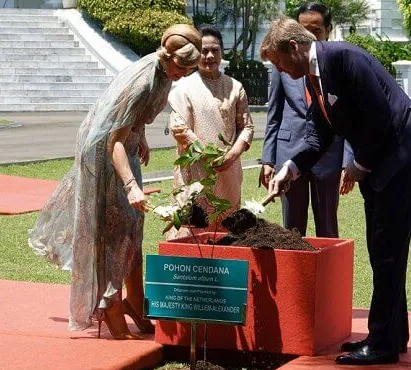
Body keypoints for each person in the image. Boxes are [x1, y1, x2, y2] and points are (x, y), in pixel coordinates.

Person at [260, 18, 411, 365]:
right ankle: (390, 334)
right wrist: (290, 169)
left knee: (386, 246)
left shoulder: (342, 57)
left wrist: (361, 164)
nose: (279, 70)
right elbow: (318, 137)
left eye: (278, 62)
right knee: (383, 247)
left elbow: (380, 115)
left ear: (293, 47)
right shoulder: (312, 77)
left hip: (403, 152)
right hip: (381, 157)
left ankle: (383, 344)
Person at [28, 24, 202, 339]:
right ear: (167, 54)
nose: (185, 74)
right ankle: (109, 302)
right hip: (104, 153)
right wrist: (131, 186)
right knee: (113, 229)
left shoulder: (163, 72)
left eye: (190, 69)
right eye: (182, 67)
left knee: (133, 222)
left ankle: (135, 299)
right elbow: (114, 142)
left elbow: (132, 117)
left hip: (124, 143)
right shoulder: (143, 80)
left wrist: (142, 134)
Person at [260, 2, 354, 238]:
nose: (308, 37)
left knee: (327, 227)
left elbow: (350, 117)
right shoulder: (282, 63)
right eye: (303, 30)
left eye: (316, 31)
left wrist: (347, 161)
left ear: (329, 29)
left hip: (328, 154)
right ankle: (294, 273)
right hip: (289, 152)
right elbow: (274, 113)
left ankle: (327, 274)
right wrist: (268, 158)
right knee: (291, 229)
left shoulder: (337, 63)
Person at [166, 24, 254, 239]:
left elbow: (247, 126)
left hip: (229, 171)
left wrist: (232, 155)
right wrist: (207, 154)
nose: (209, 56)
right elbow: (179, 128)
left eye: (215, 50)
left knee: (226, 225)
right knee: (193, 223)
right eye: (204, 51)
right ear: (196, 53)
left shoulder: (235, 87)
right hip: (195, 169)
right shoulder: (184, 87)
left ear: (222, 51)